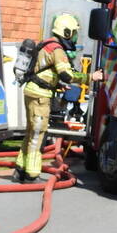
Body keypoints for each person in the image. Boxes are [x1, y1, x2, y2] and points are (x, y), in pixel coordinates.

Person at [13, 14, 84, 183]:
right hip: (40, 97)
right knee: (38, 134)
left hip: (33, 91)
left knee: (31, 133)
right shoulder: (57, 50)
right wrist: (89, 78)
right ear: (66, 32)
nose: (74, 36)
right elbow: (67, 74)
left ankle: (19, 170)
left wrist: (56, 85)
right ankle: (31, 174)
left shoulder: (47, 44)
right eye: (73, 33)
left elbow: (44, 72)